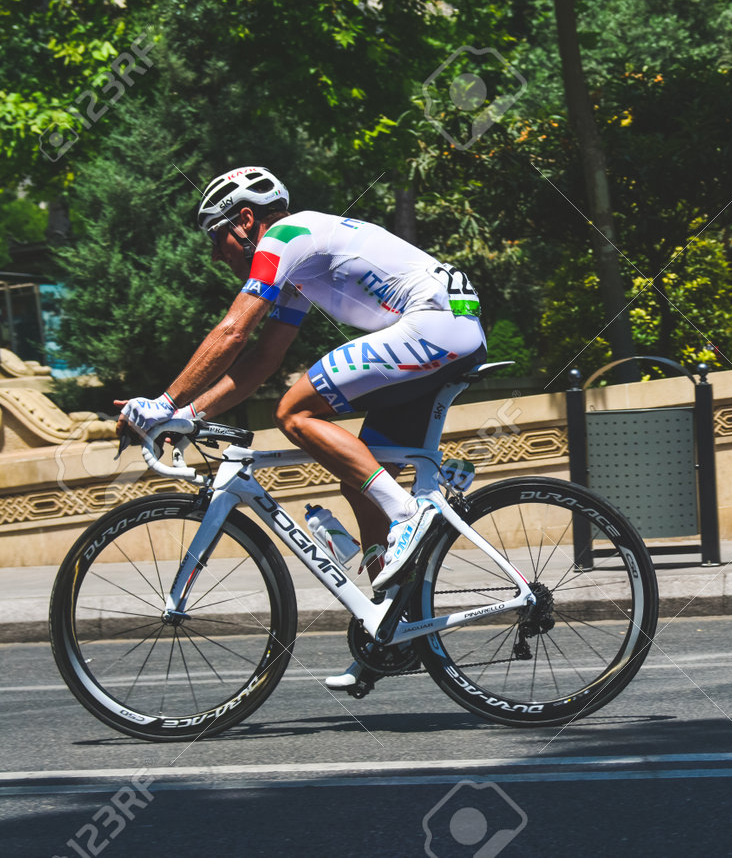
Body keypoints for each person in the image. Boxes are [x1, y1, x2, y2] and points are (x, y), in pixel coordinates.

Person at [117, 166, 486, 690]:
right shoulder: (299, 265)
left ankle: (406, 516)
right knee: (359, 474)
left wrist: (162, 401)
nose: (215, 253)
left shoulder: (284, 238)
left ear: (245, 220)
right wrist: (190, 415)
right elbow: (263, 359)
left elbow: (233, 331)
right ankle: (391, 629)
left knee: (293, 412)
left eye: (216, 237)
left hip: (433, 320)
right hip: (448, 323)